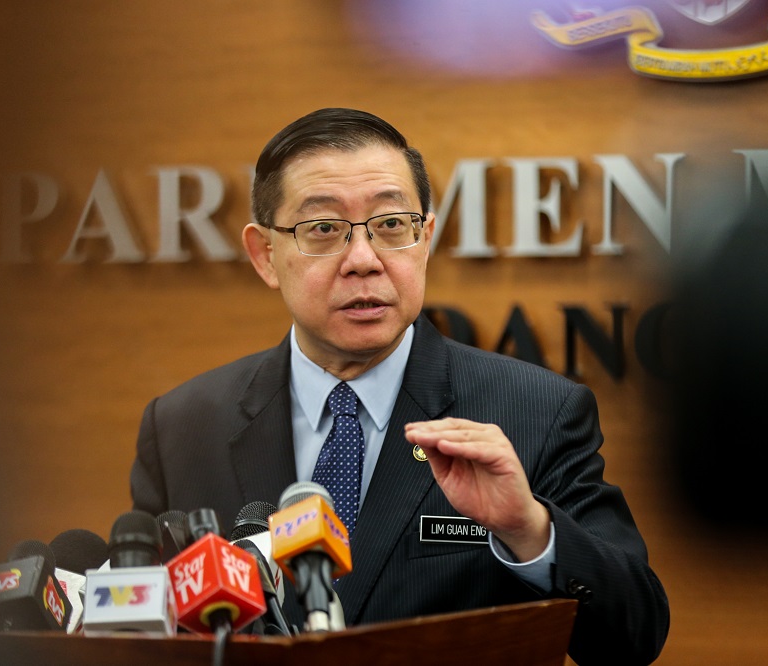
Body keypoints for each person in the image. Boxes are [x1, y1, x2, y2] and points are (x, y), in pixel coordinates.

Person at [131, 107, 669, 665]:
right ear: (265, 255)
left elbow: (633, 637)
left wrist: (530, 530)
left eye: (391, 226)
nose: (363, 260)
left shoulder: (537, 411)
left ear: (426, 238)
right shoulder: (183, 427)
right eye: (324, 230)